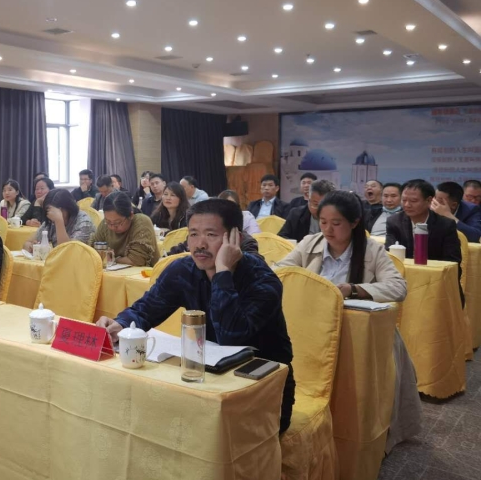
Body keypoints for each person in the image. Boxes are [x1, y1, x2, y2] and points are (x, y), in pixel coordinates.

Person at [97, 199, 295, 433]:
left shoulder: (262, 281)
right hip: (206, 379)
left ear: (235, 239)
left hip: (261, 388)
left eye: (211, 235)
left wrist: (222, 272)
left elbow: (231, 337)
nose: (200, 244)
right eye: (193, 234)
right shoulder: (183, 270)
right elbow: (147, 308)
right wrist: (120, 324)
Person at [276, 191, 420, 449]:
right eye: (323, 222)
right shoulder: (310, 243)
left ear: (354, 223)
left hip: (357, 332)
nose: (328, 230)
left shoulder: (372, 249)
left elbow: (399, 288)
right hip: (313, 327)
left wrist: (354, 289)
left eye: (336, 223)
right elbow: (279, 272)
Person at [385, 179, 463, 305]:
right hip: (402, 282)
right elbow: (390, 255)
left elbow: (453, 262)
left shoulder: (445, 225)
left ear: (429, 200)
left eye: (413, 201)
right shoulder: (394, 222)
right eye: (404, 200)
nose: (407, 205)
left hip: (435, 284)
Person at [89, 193, 159, 266]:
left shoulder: (141, 222)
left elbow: (137, 260)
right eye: (108, 222)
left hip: (144, 272)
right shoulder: (105, 224)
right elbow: (92, 249)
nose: (112, 227)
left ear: (131, 216)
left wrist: (111, 259)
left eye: (117, 223)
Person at [23, 189, 96, 252]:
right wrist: (30, 246)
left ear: (67, 208)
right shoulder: (51, 221)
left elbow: (67, 252)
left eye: (55, 211)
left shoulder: (84, 222)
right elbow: (28, 243)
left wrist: (59, 221)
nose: (51, 215)